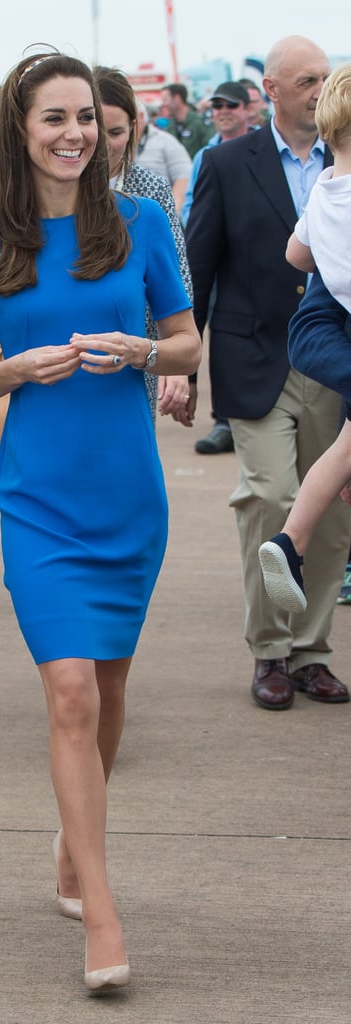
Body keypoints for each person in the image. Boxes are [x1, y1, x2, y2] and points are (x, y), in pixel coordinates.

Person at [0, 50, 201, 993]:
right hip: (39, 500)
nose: (73, 134)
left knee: (111, 691)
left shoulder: (138, 224)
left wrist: (145, 349)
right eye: (53, 118)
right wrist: (16, 368)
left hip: (128, 495)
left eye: (85, 118)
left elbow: (184, 339)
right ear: (21, 129)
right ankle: (101, 908)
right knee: (71, 695)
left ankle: (70, 843)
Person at [185, 35, 350, 712]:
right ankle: (269, 650)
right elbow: (199, 262)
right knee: (269, 497)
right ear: (271, 90)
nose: (318, 87)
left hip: (332, 365)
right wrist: (180, 363)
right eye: (305, 78)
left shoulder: (342, 158)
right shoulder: (225, 163)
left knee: (333, 518)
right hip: (251, 357)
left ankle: (311, 651)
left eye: (325, 77)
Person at [259, 63, 351, 618]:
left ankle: (291, 541)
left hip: (335, 325)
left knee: (342, 450)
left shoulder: (323, 191)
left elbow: (296, 256)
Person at [93, 65, 194, 425]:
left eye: (117, 132)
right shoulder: (44, 191)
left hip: (137, 356)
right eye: (94, 126)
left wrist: (175, 363)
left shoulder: (149, 189)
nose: (104, 143)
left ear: (135, 128)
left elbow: (177, 275)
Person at [180, 81, 253, 456]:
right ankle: (225, 419)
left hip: (251, 259)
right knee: (217, 330)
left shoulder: (262, 150)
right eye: (217, 105)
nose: (222, 110)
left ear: (247, 109)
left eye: (230, 104)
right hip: (213, 253)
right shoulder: (206, 155)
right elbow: (193, 204)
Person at [135, 98, 191, 213]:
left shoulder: (166, 141)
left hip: (160, 215)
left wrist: (171, 214)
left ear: (140, 117)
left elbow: (184, 176)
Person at [161, 82, 213, 157]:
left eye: (165, 100)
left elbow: (211, 150)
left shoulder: (200, 123)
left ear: (177, 98)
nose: (163, 104)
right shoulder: (169, 127)